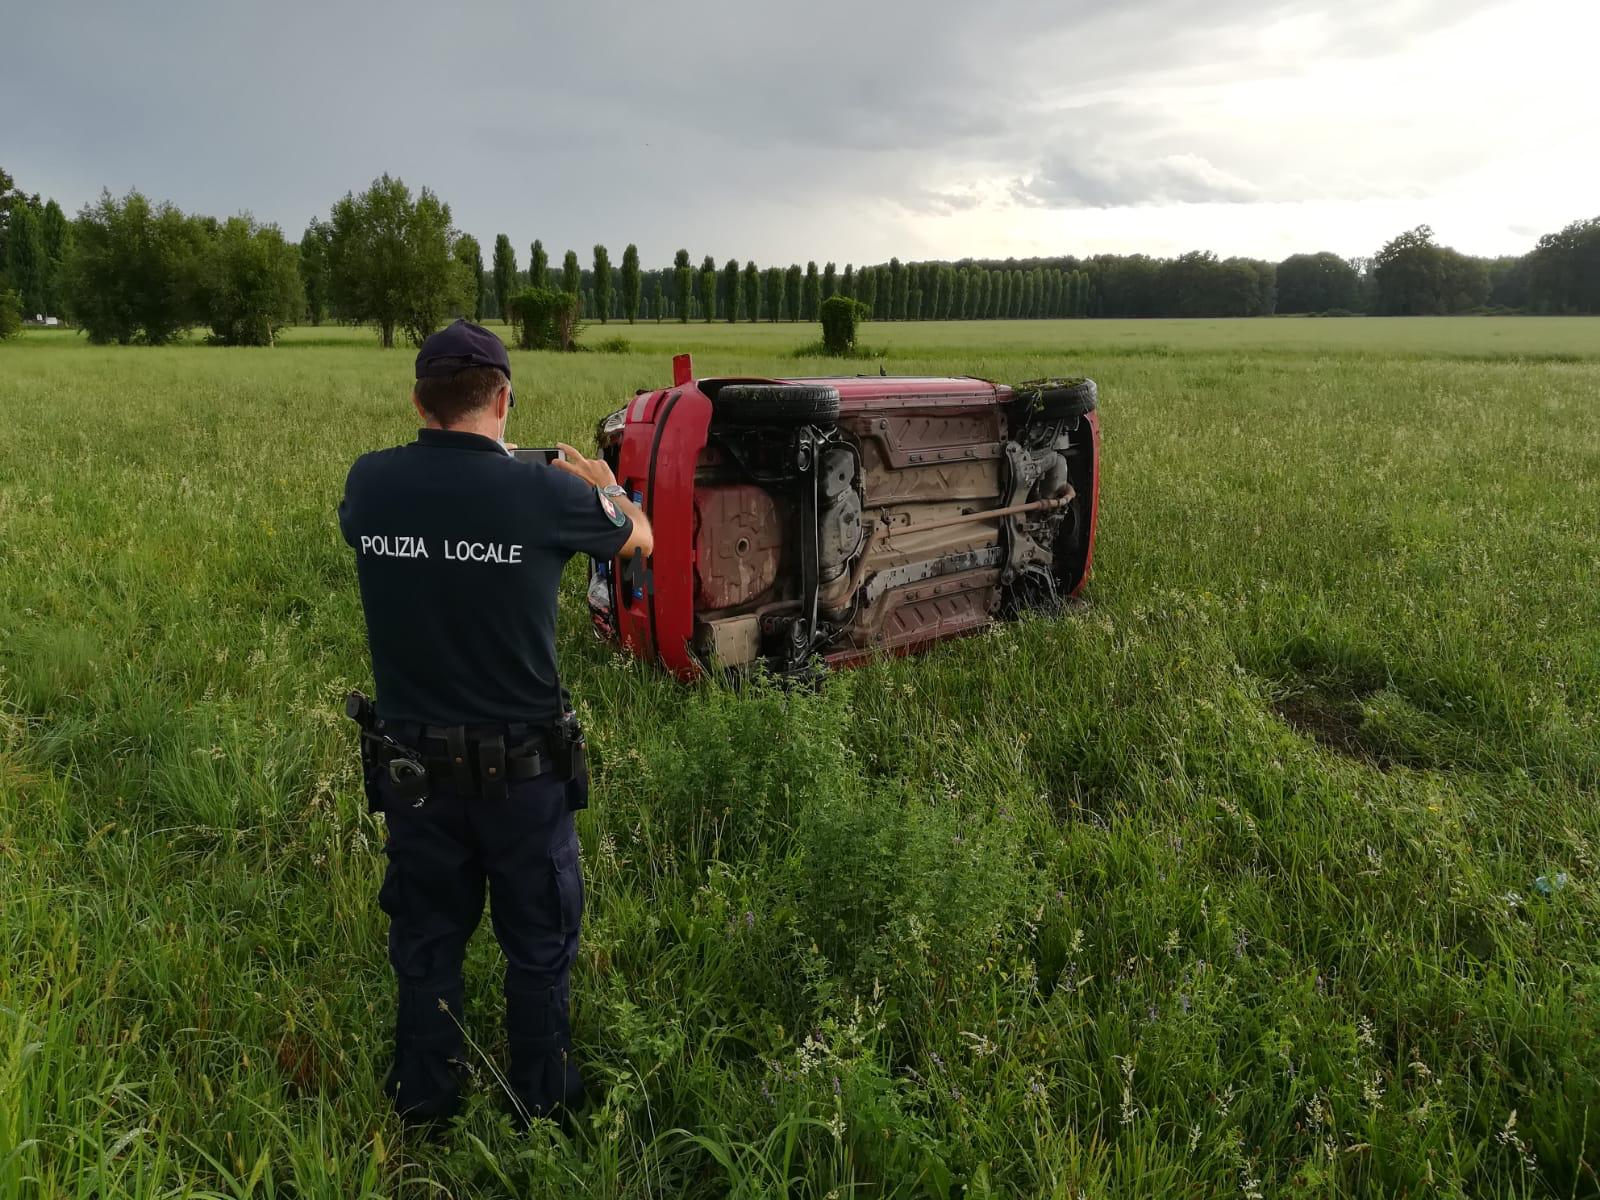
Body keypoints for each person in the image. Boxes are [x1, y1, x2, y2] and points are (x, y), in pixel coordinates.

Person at [337, 319, 652, 1126]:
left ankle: (425, 1104)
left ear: (418, 400)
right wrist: (604, 482)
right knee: (539, 948)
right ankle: (542, 1107)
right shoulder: (548, 494)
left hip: (412, 775)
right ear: (505, 400)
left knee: (427, 944)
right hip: (524, 777)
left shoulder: (370, 485)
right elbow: (638, 539)